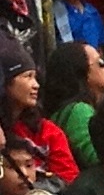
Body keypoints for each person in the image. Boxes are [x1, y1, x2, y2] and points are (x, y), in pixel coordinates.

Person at [0, 37, 77, 184]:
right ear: (6, 83)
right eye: (27, 76)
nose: (36, 85)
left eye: (35, 77)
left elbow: (69, 177)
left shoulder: (47, 131)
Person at [41, 39, 104, 168]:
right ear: (81, 72)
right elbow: (100, 160)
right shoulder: (78, 111)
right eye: (100, 63)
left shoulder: (76, 108)